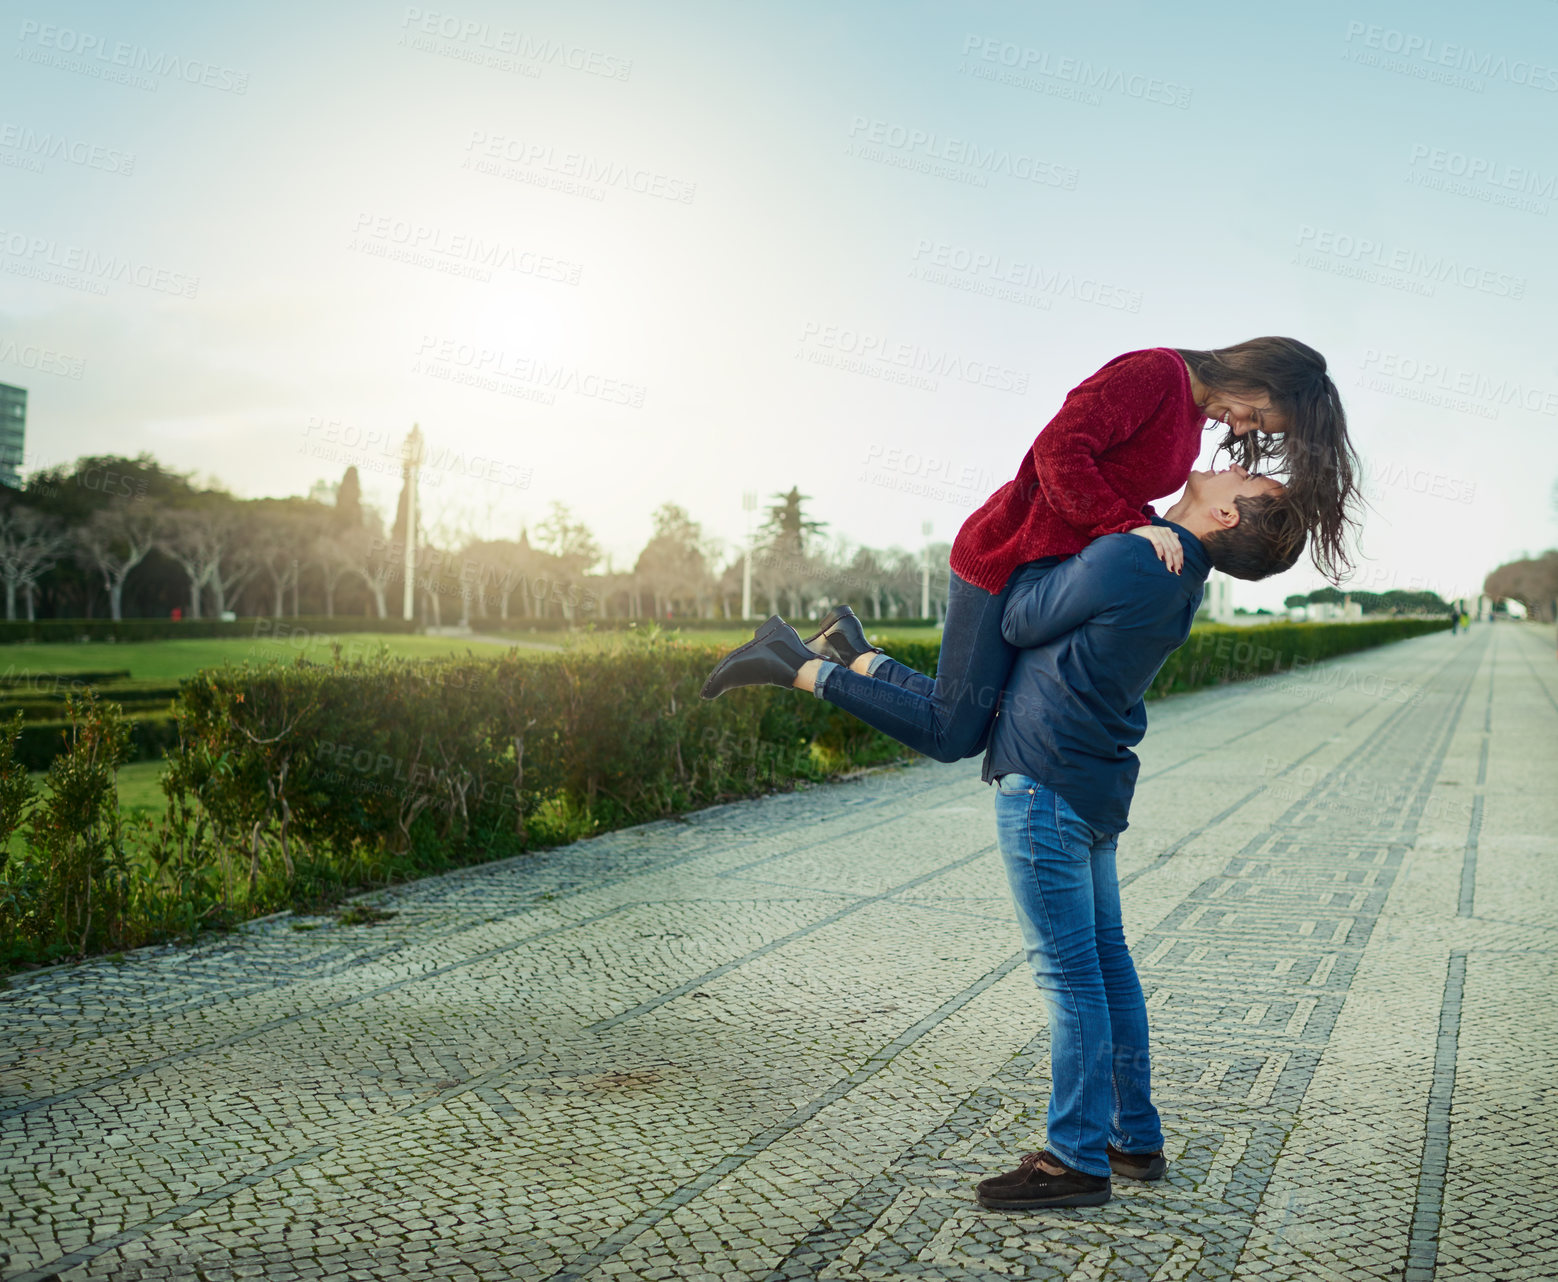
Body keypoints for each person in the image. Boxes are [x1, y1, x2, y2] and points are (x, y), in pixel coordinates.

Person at [700, 340, 1358, 739]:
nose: (1243, 430)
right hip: (1006, 553)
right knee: (954, 730)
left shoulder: (1188, 417)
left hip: (1043, 565)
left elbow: (1122, 489)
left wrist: (1145, 532)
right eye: (1257, 414)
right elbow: (1057, 450)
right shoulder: (1154, 375)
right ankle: (793, 662)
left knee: (961, 708)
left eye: (1258, 430)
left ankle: (850, 648)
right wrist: (1126, 526)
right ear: (1258, 375)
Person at [970, 466, 1304, 1210]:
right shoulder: (1179, 575)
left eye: (1246, 473)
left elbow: (1017, 620)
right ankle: (1133, 1139)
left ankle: (1075, 1161)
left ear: (1222, 513)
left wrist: (1058, 544)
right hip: (1088, 787)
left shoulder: (1133, 555)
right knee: (1106, 965)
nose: (1229, 459)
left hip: (1046, 781)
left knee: (1071, 977)